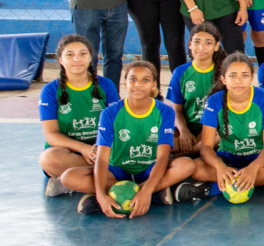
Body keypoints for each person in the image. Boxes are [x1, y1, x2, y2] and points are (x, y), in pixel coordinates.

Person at [62, 61, 195, 216]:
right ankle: (150, 193)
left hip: (148, 169)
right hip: (117, 170)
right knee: (68, 177)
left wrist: (147, 188)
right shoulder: (110, 112)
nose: (138, 84)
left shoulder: (165, 111)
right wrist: (100, 194)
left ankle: (128, 195)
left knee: (186, 165)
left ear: (153, 85)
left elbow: (163, 157)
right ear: (124, 83)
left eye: (145, 80)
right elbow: (103, 159)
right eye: (132, 79)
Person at [174, 54, 264, 202]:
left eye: (244, 75)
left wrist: (253, 168)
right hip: (228, 157)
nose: (239, 80)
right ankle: (263, 180)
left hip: (259, 156)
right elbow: (206, 147)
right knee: (195, 167)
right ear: (223, 79)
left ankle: (214, 188)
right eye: (233, 75)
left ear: (251, 78)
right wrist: (219, 167)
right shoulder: (214, 101)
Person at [40, 35, 121, 196]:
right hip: (71, 153)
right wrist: (83, 148)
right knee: (48, 159)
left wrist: (102, 149)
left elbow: (117, 125)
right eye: (70, 54)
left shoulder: (106, 85)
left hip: (103, 149)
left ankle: (74, 181)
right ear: (61, 60)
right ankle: (118, 180)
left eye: (83, 54)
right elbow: (51, 135)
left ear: (90, 57)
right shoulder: (50, 91)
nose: (77, 59)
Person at [165, 22, 224, 155]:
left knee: (219, 138)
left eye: (208, 43)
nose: (201, 47)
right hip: (187, 127)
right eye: (197, 42)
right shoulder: (181, 72)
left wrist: (205, 133)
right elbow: (177, 110)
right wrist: (184, 131)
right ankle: (195, 149)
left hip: (214, 129)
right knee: (161, 142)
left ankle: (182, 155)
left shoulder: (224, 71)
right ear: (190, 44)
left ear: (216, 46)